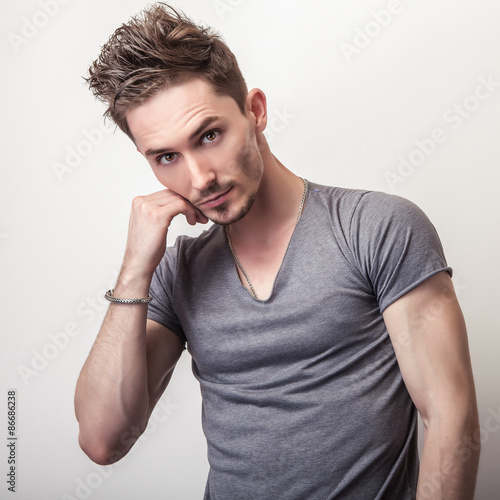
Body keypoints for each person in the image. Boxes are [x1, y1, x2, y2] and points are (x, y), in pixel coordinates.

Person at [74, 4, 480, 499]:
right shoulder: (177, 270)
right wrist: (135, 269)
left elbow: (450, 417)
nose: (199, 177)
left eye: (209, 135)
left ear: (255, 110)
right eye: (167, 157)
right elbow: (103, 440)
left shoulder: (375, 227)